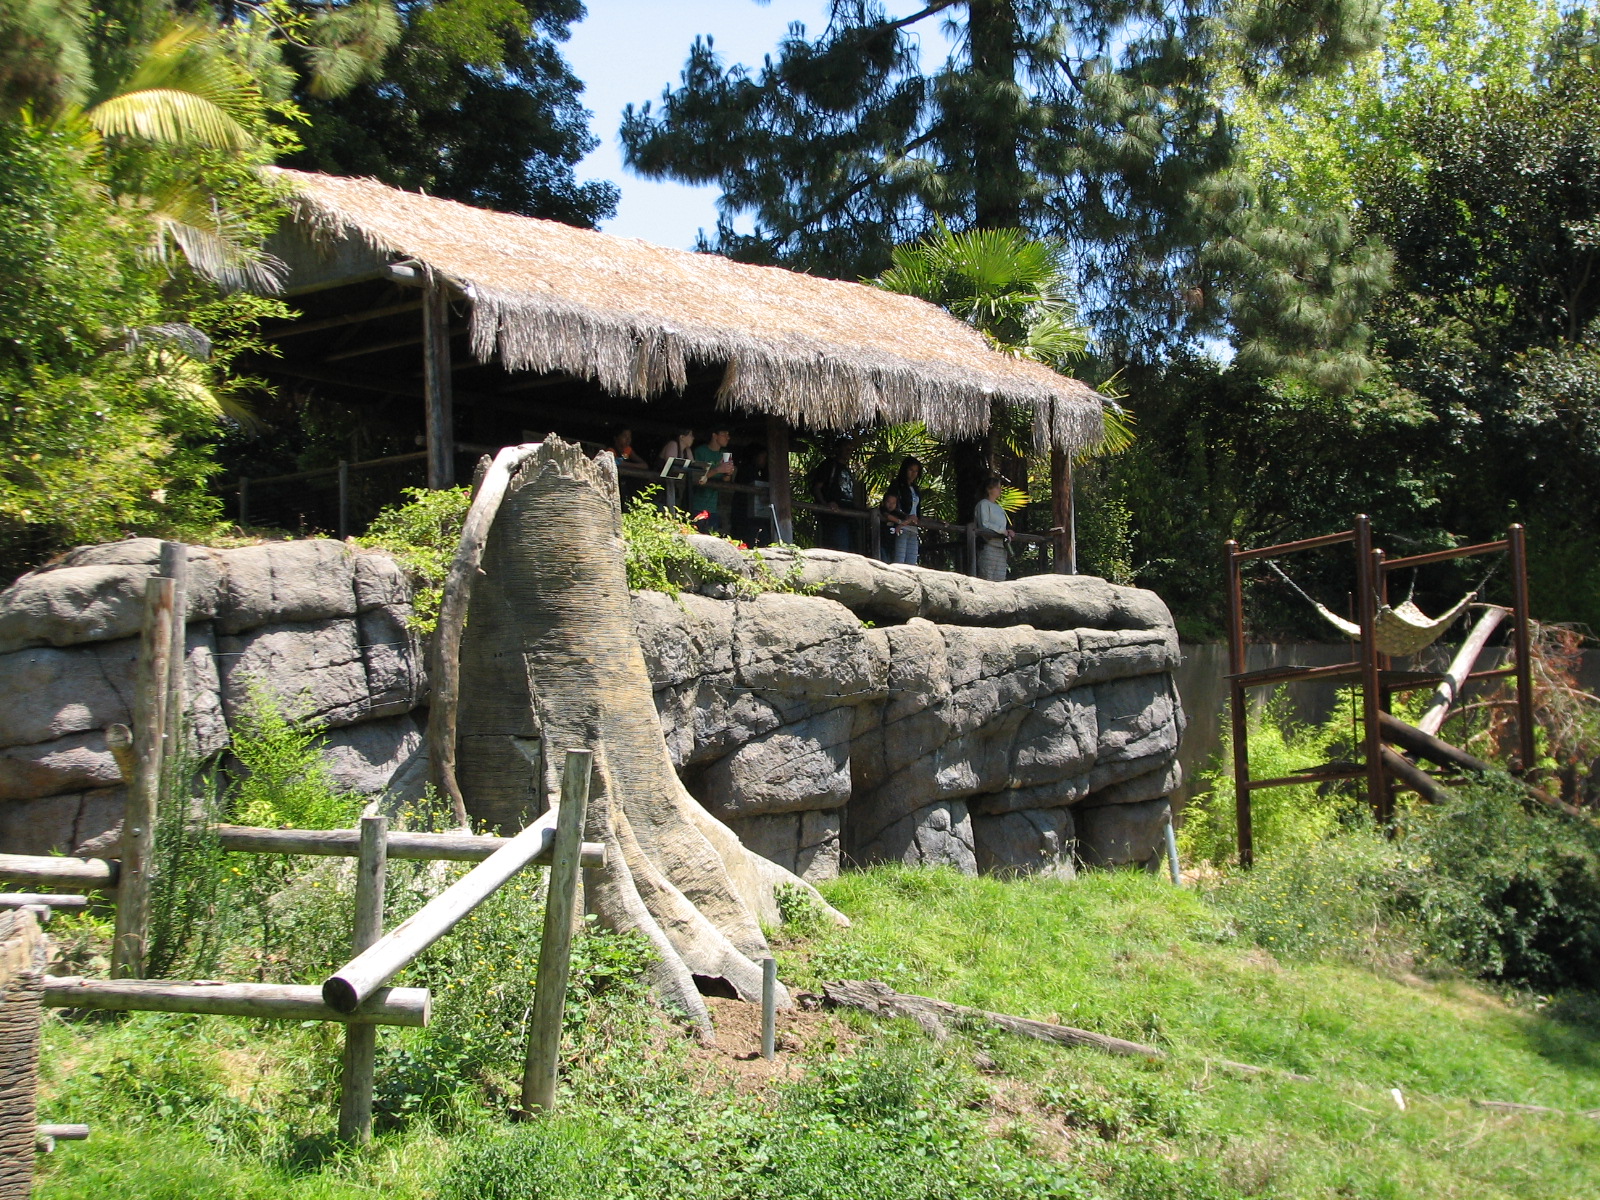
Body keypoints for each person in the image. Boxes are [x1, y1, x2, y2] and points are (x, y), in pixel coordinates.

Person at [809, 440, 864, 553]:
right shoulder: (829, 465)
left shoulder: (847, 470)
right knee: (839, 552)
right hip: (835, 519)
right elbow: (816, 488)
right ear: (838, 449)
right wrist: (826, 505)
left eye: (851, 449)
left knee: (851, 553)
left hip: (849, 517)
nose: (849, 451)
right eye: (846, 448)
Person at [690, 426, 737, 533]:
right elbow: (697, 477)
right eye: (724, 434)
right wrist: (718, 469)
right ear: (714, 435)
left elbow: (725, 480)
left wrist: (728, 473)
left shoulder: (724, 454)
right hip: (697, 503)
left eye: (728, 435)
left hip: (713, 507)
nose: (728, 437)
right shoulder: (700, 451)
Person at [885, 456, 924, 565]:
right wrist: (905, 517)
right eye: (911, 470)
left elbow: (917, 511)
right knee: (899, 561)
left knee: (912, 563)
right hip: (900, 527)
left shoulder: (916, 489)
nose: (913, 473)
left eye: (916, 471)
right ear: (905, 469)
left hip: (913, 529)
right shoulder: (896, 485)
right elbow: (890, 506)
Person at [974, 476, 1013, 581]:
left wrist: (1008, 532)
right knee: (987, 578)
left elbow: (1002, 526)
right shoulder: (983, 504)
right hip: (988, 547)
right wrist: (1001, 531)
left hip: (1001, 548)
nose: (1000, 490)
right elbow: (984, 524)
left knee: (1000, 579)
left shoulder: (999, 507)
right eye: (997, 487)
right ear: (989, 489)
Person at [611, 428, 647, 505]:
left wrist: (625, 464)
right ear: (616, 438)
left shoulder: (628, 450)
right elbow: (613, 462)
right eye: (624, 436)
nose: (628, 440)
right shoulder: (610, 450)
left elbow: (644, 465)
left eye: (629, 437)